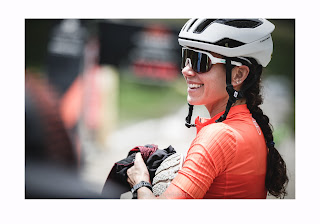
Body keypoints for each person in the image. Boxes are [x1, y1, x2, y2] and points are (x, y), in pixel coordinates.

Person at [127, 19, 289, 199]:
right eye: (186, 57)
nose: (186, 71)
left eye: (200, 61)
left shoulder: (219, 136)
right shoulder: (252, 127)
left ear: (238, 75)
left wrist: (140, 181)